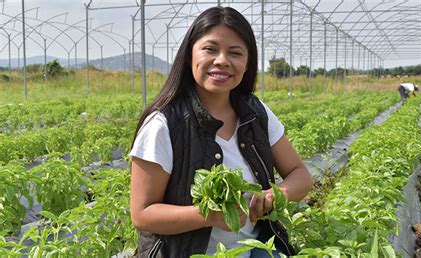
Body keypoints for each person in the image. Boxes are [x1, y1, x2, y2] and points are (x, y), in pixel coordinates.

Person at [128, 6, 313, 258]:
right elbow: (142, 213)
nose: (222, 60)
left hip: (256, 249)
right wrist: (208, 215)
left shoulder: (256, 114)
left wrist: (277, 194)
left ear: (247, 64)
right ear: (189, 54)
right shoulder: (163, 125)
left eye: (235, 53)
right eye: (210, 49)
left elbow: (300, 175)